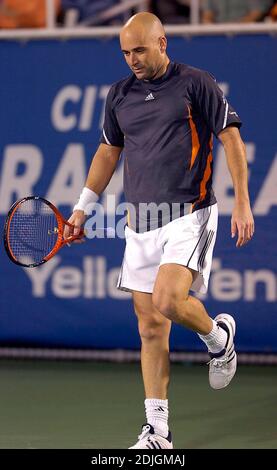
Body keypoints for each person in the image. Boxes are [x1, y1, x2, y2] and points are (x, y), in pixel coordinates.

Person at [66, 12, 254, 449]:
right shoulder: (119, 95)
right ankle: (159, 432)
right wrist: (82, 209)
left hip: (189, 213)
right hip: (140, 222)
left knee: (169, 300)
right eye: (125, 52)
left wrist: (241, 200)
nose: (132, 59)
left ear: (162, 43)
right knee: (150, 328)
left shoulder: (195, 83)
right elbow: (107, 153)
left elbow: (230, 138)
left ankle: (218, 338)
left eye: (140, 50)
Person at [201, 0, 273, 23]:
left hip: (249, 36)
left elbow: (256, 13)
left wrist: (235, 30)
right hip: (218, 37)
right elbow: (207, 15)